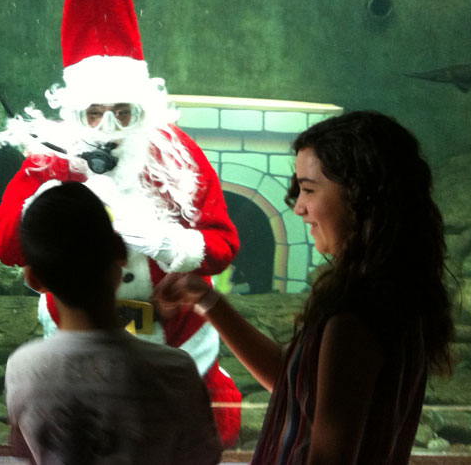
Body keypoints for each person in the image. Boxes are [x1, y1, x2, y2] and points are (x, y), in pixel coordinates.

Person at [0, 0, 241, 446]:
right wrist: (46, 182)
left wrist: (176, 244)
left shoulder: (179, 155)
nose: (108, 127)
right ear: (74, 110)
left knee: (190, 427)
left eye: (122, 112)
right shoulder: (48, 158)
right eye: (94, 113)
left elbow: (224, 240)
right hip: (80, 340)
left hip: (172, 338)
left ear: (143, 106)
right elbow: (8, 246)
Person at [155, 111, 455, 465]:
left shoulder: (355, 315)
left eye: (309, 189)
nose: (298, 207)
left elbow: (329, 457)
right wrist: (208, 302)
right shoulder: (396, 294)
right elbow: (298, 383)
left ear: (362, 194)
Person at [5, 181, 223, 464]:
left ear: (33, 280)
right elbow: (205, 456)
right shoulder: (175, 370)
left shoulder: (22, 368)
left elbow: (23, 451)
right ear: (121, 254)